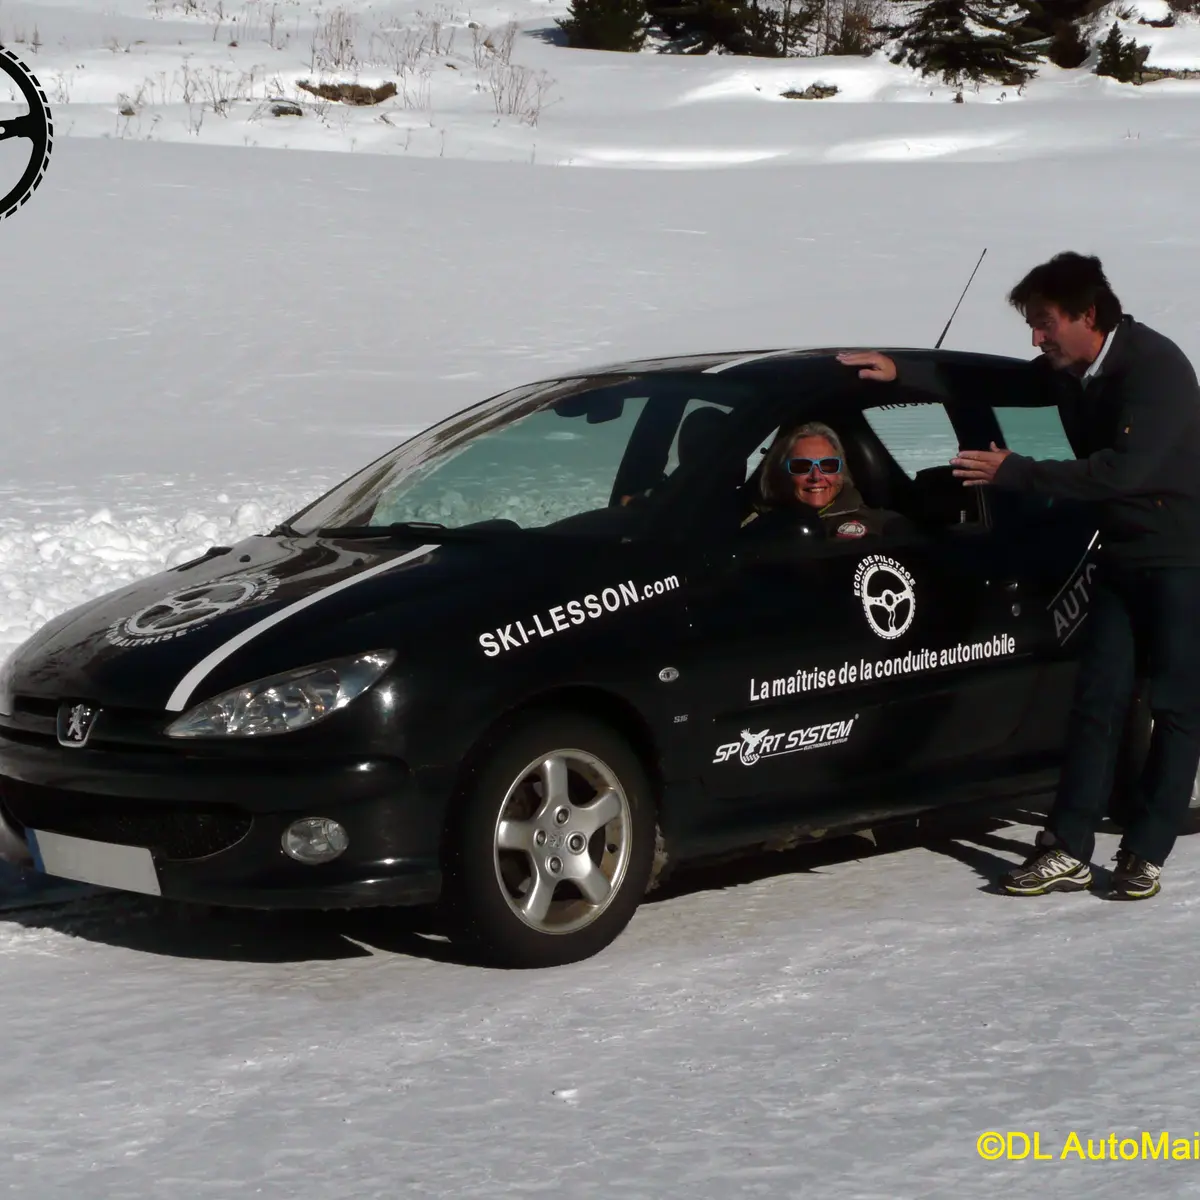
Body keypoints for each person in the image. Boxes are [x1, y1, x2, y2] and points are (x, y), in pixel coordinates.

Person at [838, 252, 1200, 900]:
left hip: (1181, 558)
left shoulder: (1157, 368)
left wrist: (1017, 472)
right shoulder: (1072, 370)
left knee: (1176, 708)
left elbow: (1124, 472)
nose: (1036, 338)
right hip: (1120, 554)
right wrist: (902, 371)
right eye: (1031, 325)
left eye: (1044, 323)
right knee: (1097, 700)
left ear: (1088, 315)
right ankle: (1067, 846)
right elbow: (990, 382)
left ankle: (1145, 852)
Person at [745, 421, 906, 538]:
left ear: (840, 473)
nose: (816, 476)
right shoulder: (760, 530)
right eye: (801, 466)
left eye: (828, 466)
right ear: (781, 473)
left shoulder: (885, 527)